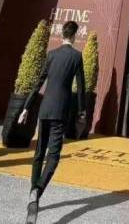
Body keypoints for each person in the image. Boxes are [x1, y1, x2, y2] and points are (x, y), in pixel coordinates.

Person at [19, 20, 85, 223]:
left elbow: (39, 82)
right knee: (54, 156)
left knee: (39, 153)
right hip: (60, 112)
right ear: (74, 35)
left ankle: (33, 196)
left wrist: (26, 108)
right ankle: (37, 190)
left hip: (45, 109)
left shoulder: (51, 54)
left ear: (62, 34)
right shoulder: (76, 57)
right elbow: (81, 87)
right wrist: (82, 111)